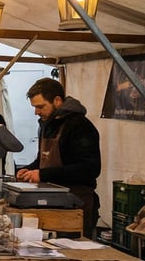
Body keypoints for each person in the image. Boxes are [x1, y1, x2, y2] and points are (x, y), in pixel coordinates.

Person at [17, 78, 102, 236]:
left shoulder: (80, 126)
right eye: (35, 107)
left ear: (57, 101)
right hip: (51, 200)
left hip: (76, 202)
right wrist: (29, 169)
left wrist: (42, 174)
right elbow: (43, 160)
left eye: (40, 107)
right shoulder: (47, 125)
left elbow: (90, 168)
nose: (36, 112)